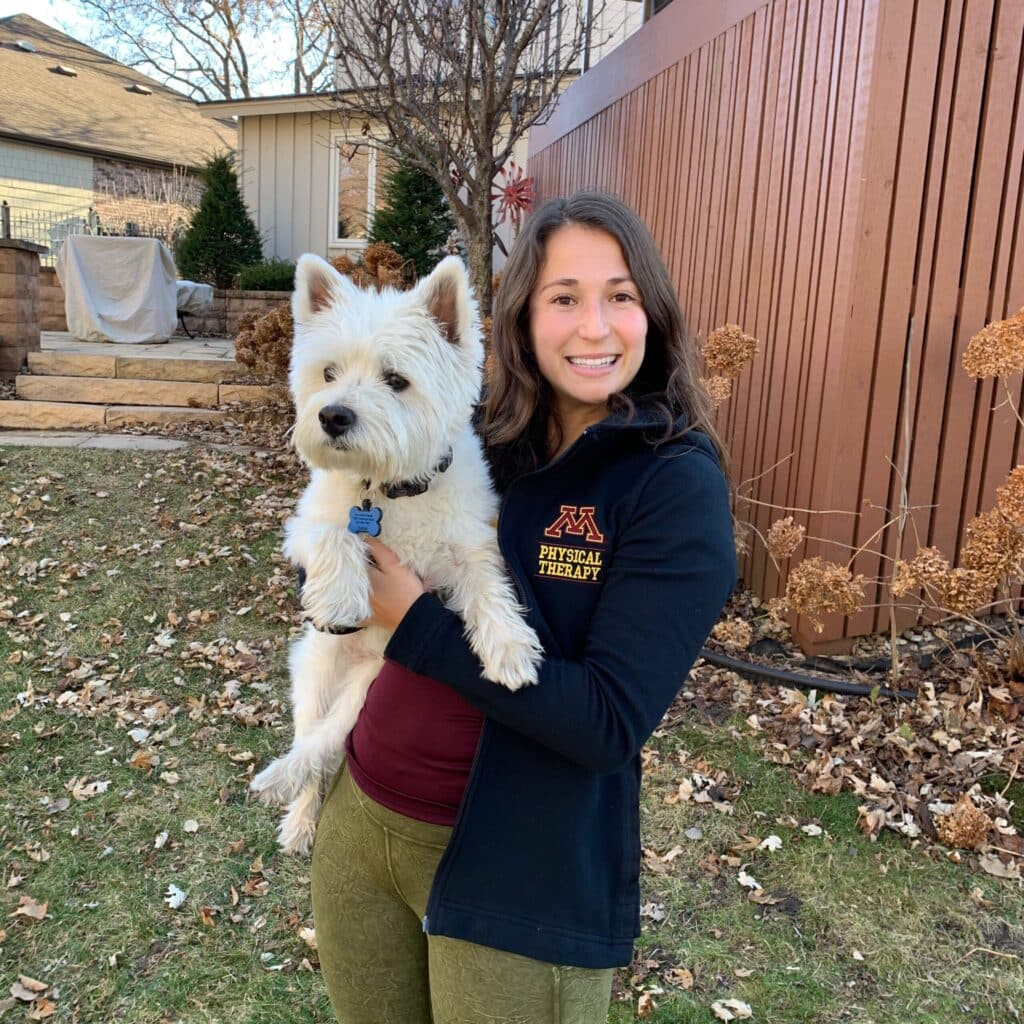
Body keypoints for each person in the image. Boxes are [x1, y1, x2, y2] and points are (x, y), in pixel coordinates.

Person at [309, 191, 737, 1023]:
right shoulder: (487, 442)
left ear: (652, 309)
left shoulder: (674, 488)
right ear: (524, 317)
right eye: (564, 298)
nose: (594, 327)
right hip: (363, 821)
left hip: (517, 872)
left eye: (619, 295)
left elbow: (607, 723)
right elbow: (353, 533)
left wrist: (416, 619)